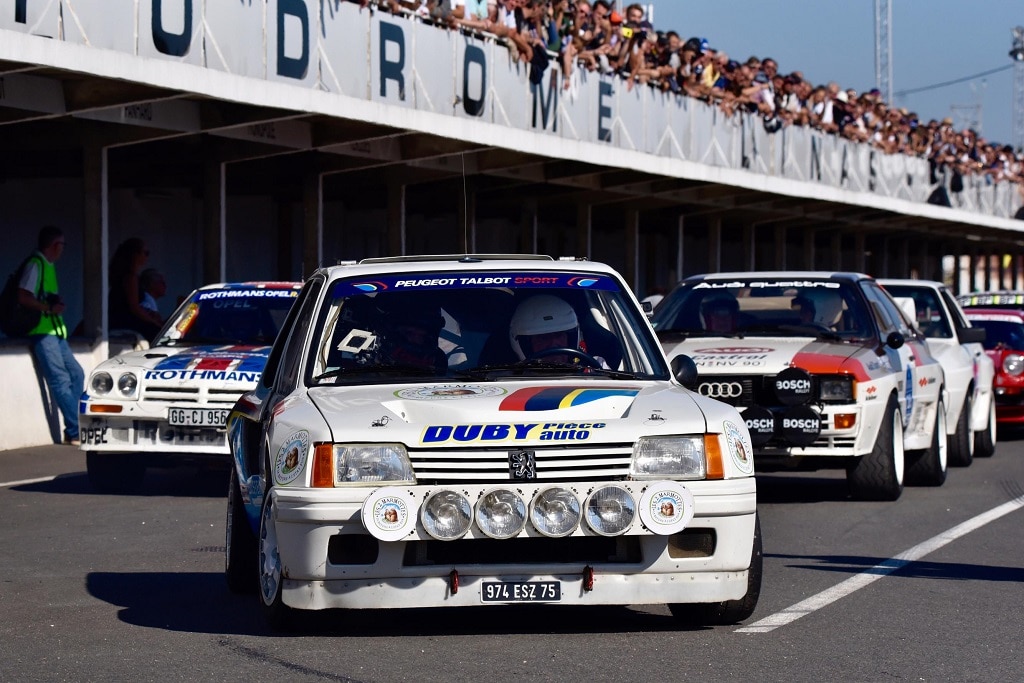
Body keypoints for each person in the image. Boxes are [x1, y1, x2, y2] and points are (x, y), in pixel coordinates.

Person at [17, 226, 85, 446]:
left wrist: (53, 305)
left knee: (76, 373)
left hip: (55, 331)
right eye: (62, 245)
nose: (63, 249)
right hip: (42, 332)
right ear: (55, 245)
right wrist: (48, 308)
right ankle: (74, 430)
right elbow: (23, 296)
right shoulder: (35, 264)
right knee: (60, 379)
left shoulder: (48, 266)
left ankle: (75, 425)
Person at [509, 294, 609, 367]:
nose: (554, 343)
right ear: (525, 345)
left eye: (559, 335)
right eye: (543, 337)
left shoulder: (596, 368)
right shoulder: (505, 380)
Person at [108, 238, 162, 341]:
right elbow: (134, 307)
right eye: (145, 253)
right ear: (135, 254)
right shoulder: (130, 277)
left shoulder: (127, 275)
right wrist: (152, 321)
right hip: (124, 321)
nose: (147, 257)